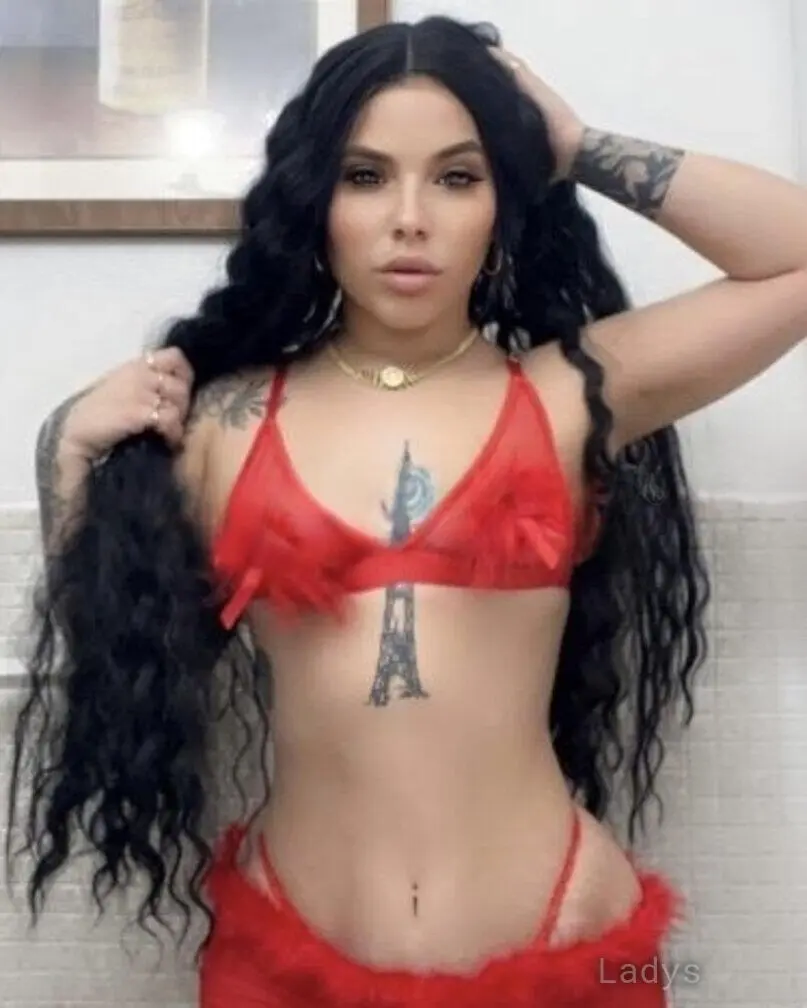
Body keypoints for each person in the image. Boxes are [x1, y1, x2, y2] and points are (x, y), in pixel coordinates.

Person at [8, 14, 807, 1007]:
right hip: (283, 967)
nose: (410, 218)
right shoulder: (226, 423)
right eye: (365, 176)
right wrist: (68, 450)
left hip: (578, 959)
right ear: (316, 199)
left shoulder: (568, 394)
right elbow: (123, 656)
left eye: (458, 177)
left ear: (503, 203)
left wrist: (572, 144)